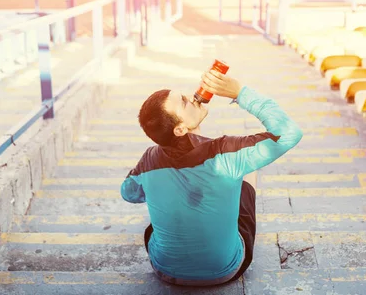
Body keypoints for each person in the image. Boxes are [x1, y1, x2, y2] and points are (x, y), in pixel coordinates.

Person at [120, 68, 303, 286]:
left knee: (157, 221)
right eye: (184, 102)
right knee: (247, 171)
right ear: (179, 130)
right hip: (225, 270)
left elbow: (129, 193)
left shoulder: (149, 159)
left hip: (164, 270)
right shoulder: (225, 153)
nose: (192, 97)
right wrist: (239, 92)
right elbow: (289, 133)